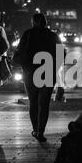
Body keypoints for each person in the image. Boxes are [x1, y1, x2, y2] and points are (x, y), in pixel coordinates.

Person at [13, 13, 62, 142]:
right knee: (44, 104)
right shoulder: (53, 36)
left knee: (33, 103)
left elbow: (18, 53)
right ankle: (41, 132)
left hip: (30, 73)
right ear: (45, 22)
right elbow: (62, 54)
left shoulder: (28, 34)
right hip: (48, 72)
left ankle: (35, 129)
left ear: (33, 22)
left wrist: (24, 65)